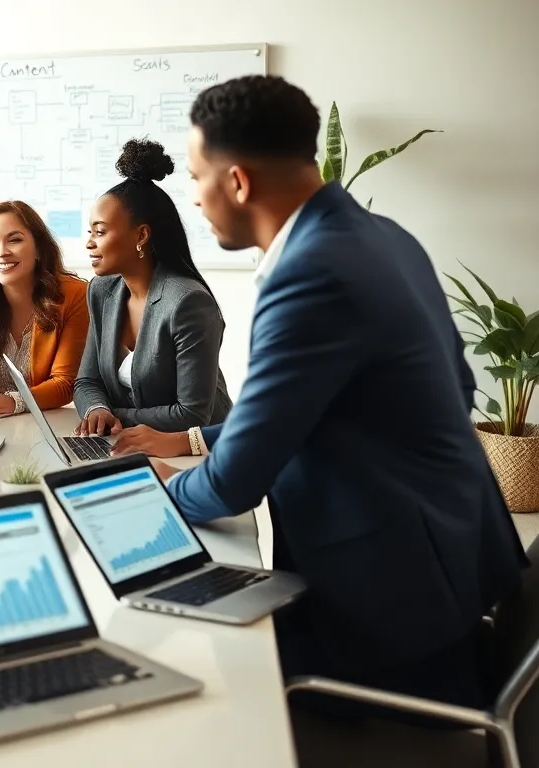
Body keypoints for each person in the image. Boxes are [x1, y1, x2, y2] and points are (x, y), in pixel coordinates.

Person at [117, 75, 526, 709]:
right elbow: (445, 389)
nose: (194, 199)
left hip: (389, 606)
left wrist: (156, 493)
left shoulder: (312, 272)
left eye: (197, 177)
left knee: (199, 689)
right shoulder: (382, 236)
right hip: (451, 566)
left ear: (238, 182)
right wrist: (198, 442)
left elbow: (234, 483)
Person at [73, 138, 231, 436]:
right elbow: (87, 382)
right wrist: (97, 410)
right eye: (90, 232)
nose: (89, 243)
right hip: (136, 444)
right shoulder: (101, 291)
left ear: (141, 235)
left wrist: (115, 417)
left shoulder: (188, 302)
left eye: (101, 232)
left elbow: (192, 413)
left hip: (200, 449)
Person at [0, 200, 89, 416]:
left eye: (14, 240)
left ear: (38, 249)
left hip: (47, 423)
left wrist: (15, 401)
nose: (1, 252)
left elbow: (66, 382)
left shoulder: (75, 295)